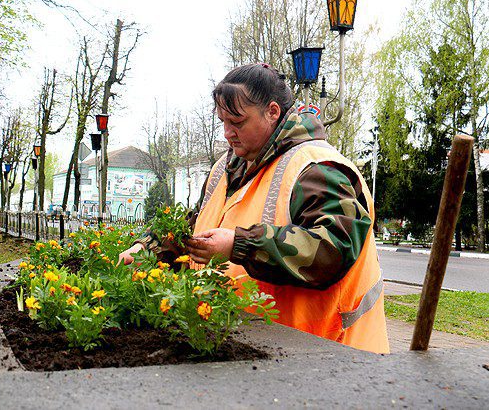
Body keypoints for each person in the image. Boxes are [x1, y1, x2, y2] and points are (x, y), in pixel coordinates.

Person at [119, 63, 389, 354]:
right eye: (223, 121)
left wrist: (240, 245)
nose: (227, 133)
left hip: (329, 358)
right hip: (254, 351)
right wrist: (147, 249)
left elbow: (332, 249)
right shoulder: (227, 167)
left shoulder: (317, 168)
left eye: (237, 121)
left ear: (272, 112)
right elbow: (196, 226)